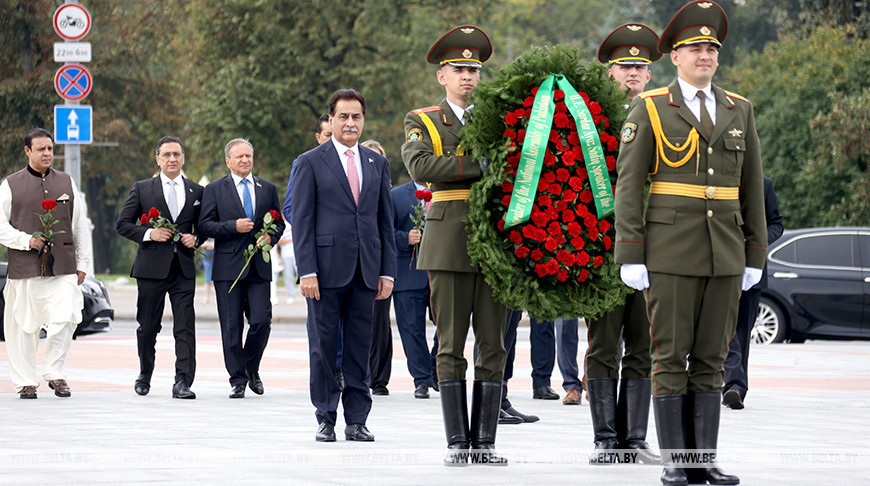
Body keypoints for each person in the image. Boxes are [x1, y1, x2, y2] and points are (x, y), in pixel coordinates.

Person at [614, 2, 766, 484]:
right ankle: (678, 465)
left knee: (711, 360)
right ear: (675, 57)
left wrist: (754, 251)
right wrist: (631, 252)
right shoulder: (652, 106)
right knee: (669, 356)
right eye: (696, 48)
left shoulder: (739, 108)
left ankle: (703, 461)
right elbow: (628, 184)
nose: (706, 55)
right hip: (671, 251)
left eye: (712, 49)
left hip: (724, 251)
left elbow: (752, 187)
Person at [402, 25, 509, 466]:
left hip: (494, 242)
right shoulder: (422, 119)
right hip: (447, 241)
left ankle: (484, 442)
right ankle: (456, 442)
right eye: (458, 69)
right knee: (450, 345)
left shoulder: (499, 117)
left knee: (494, 344)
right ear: (441, 77)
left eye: (473, 70)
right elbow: (421, 166)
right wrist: (481, 164)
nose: (468, 77)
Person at [292, 89, 396, 443]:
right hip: (322, 272)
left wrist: (386, 271)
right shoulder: (309, 162)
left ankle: (357, 419)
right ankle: (326, 416)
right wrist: (306, 270)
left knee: (358, 348)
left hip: (366, 271)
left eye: (356, 117)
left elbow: (384, 221)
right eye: (343, 117)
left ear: (363, 121)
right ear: (331, 120)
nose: (350, 123)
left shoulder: (376, 163)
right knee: (322, 347)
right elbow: (302, 221)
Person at [583, 22, 663, 465]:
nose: (633, 73)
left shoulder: (661, 113)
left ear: (650, 73)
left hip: (653, 244)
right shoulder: (591, 117)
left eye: (640, 66)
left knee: (644, 342)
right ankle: (605, 437)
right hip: (601, 246)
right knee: (603, 343)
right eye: (624, 66)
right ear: (609, 71)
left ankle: (634, 437)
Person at [0, 128, 90, 399]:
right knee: (23, 327)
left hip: (62, 266)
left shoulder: (67, 182)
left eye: (50, 149)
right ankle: (25, 381)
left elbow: (79, 225)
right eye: (41, 149)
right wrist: (26, 241)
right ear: (28, 151)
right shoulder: (10, 184)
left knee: (67, 315)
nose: (47, 153)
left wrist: (83, 261)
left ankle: (54, 371)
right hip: (24, 267)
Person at [116, 136, 203, 399]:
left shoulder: (197, 191)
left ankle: (183, 381)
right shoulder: (143, 188)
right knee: (148, 326)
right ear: (158, 159)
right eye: (166, 155)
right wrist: (149, 234)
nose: (172, 159)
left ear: (183, 158)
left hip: (184, 269)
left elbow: (205, 226)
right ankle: (145, 373)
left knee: (185, 326)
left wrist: (196, 238)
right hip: (151, 269)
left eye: (176, 154)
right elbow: (123, 224)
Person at [198, 138, 284, 399]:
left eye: (249, 155)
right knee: (231, 326)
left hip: (258, 267)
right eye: (239, 157)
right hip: (228, 268)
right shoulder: (214, 189)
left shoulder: (267, 188)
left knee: (261, 321)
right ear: (228, 161)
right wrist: (231, 227)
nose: (245, 160)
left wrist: (271, 237)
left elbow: (278, 223)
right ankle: (237, 379)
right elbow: (204, 226)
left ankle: (251, 367)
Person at [722, 176, 782, 409]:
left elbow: (776, 223)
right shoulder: (715, 177)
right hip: (719, 265)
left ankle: (735, 388)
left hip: (752, 269)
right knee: (721, 325)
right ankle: (732, 383)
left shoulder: (764, 184)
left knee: (742, 332)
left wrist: (758, 240)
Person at [390, 178, 440, 399]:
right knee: (411, 329)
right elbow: (382, 231)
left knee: (448, 325)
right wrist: (404, 238)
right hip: (408, 272)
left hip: (442, 270)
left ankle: (436, 366)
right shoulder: (395, 195)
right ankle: (421, 379)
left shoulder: (447, 191)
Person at [361, 139, 394, 397]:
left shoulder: (387, 193)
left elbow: (388, 231)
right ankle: (362, 373)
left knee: (381, 323)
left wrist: (388, 271)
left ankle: (380, 377)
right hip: (354, 263)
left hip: (378, 262)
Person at [282, 114, 332, 225]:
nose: (332, 140)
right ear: (318, 138)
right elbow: (290, 209)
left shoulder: (352, 162)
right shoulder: (304, 163)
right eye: (328, 135)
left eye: (335, 135)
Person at [276, 218, 296, 304]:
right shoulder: (283, 226)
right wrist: (290, 240)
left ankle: (305, 296)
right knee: (288, 276)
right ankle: (290, 295)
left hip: (296, 254)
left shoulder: (295, 223)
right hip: (286, 254)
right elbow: (279, 242)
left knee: (301, 274)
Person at [200, 238, 215, 303]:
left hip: (216, 258)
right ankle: (207, 297)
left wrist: (208, 244)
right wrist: (210, 245)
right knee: (207, 278)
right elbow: (202, 244)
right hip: (206, 258)